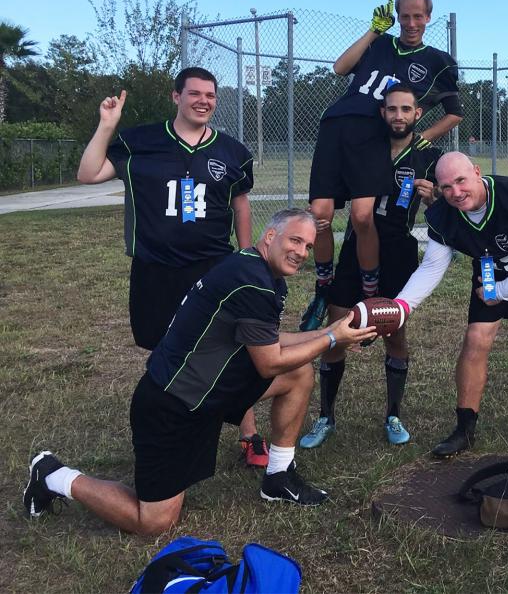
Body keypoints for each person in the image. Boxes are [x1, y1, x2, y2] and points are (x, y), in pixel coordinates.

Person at [23, 209, 377, 535]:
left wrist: (336, 330)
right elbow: (269, 362)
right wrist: (332, 338)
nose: (302, 252)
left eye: (309, 246)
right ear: (270, 237)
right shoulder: (253, 282)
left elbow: (266, 340)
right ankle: (54, 474)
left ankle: (278, 476)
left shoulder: (250, 265)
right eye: (295, 241)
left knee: (298, 372)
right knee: (154, 521)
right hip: (172, 405)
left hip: (209, 389)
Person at [75, 67, 267, 468]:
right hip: (156, 269)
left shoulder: (231, 152)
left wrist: (247, 257)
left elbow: (240, 203)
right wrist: (106, 125)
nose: (203, 101)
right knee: (164, 350)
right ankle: (167, 424)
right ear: (175, 97)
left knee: (231, 347)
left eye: (210, 95)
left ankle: (249, 434)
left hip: (213, 267)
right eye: (194, 93)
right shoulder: (142, 141)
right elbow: (89, 173)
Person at [302, 0, 463, 333]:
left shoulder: (438, 61)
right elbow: (340, 68)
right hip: (337, 126)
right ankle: (323, 289)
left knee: (362, 217)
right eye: (404, 16)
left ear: (428, 17)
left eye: (417, 16)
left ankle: (370, 288)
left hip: (373, 136)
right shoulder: (381, 42)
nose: (410, 23)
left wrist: (424, 136)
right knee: (320, 215)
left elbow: (455, 113)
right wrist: (374, 31)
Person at [393, 152, 508, 457]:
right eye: (446, 187)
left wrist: (502, 290)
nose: (455, 193)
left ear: (476, 172)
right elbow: (432, 267)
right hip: (490, 272)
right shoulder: (443, 215)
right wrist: (400, 307)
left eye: (461, 181)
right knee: (475, 340)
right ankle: (465, 428)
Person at [300, 84, 440, 449]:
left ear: (417, 114)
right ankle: (326, 416)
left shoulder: (430, 156)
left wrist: (435, 200)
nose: (398, 116)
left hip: (398, 251)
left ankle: (393, 414)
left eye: (405, 109)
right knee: (337, 330)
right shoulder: (364, 147)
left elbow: (447, 210)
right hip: (355, 250)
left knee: (394, 332)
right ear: (382, 113)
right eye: (392, 109)